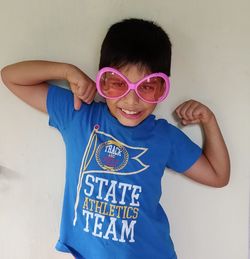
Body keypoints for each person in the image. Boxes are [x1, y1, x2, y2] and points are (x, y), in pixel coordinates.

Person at [1, 18, 230, 259]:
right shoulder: (79, 115)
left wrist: (209, 121)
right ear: (102, 80)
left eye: (148, 86)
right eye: (118, 84)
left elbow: (217, 175)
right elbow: (11, 77)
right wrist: (67, 71)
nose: (131, 101)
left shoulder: (164, 137)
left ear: (162, 89)